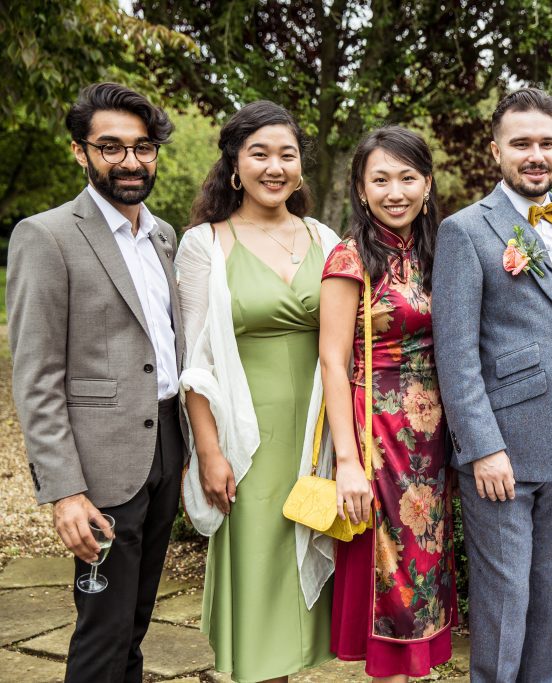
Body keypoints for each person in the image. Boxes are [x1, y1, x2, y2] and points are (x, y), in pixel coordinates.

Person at [6, 82, 185, 682]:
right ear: (80, 152)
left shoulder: (164, 238)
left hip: (165, 447)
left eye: (143, 147)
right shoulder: (46, 236)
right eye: (111, 147)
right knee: (102, 634)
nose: (131, 161)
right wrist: (64, 491)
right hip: (100, 467)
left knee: (134, 625)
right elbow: (36, 377)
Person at [176, 101, 341, 683]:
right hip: (249, 440)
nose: (275, 167)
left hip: (319, 433)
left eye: (287, 155)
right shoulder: (205, 244)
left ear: (300, 167)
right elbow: (194, 361)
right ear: (234, 165)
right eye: (260, 154)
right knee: (261, 582)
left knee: (304, 589)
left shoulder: (324, 237)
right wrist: (211, 452)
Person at [432, 88, 552, 682]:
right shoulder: (465, 230)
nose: (535, 155)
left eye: (546, 143)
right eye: (521, 143)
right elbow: (456, 351)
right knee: (505, 609)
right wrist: (481, 447)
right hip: (502, 454)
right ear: (495, 149)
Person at [320, 125, 456, 681]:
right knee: (390, 579)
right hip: (378, 432)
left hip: (432, 437)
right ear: (360, 187)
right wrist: (348, 461)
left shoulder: (440, 252)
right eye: (381, 179)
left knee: (425, 572)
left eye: (407, 177)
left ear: (427, 185)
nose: (395, 191)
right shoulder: (350, 259)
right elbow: (331, 360)